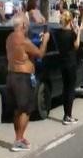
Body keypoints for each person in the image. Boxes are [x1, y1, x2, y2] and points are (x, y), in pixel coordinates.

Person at [6, 14, 50, 151]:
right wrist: (45, 41)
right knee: (26, 109)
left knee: (17, 110)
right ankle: (18, 140)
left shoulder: (9, 38)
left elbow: (23, 54)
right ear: (24, 25)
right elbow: (40, 54)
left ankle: (19, 137)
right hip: (23, 77)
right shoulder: (23, 40)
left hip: (11, 75)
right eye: (27, 24)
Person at [58, 11, 82, 125]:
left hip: (63, 63)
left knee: (65, 88)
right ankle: (68, 115)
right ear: (70, 20)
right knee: (71, 89)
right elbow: (76, 46)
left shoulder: (60, 33)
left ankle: (65, 114)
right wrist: (78, 32)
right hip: (71, 64)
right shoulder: (71, 34)